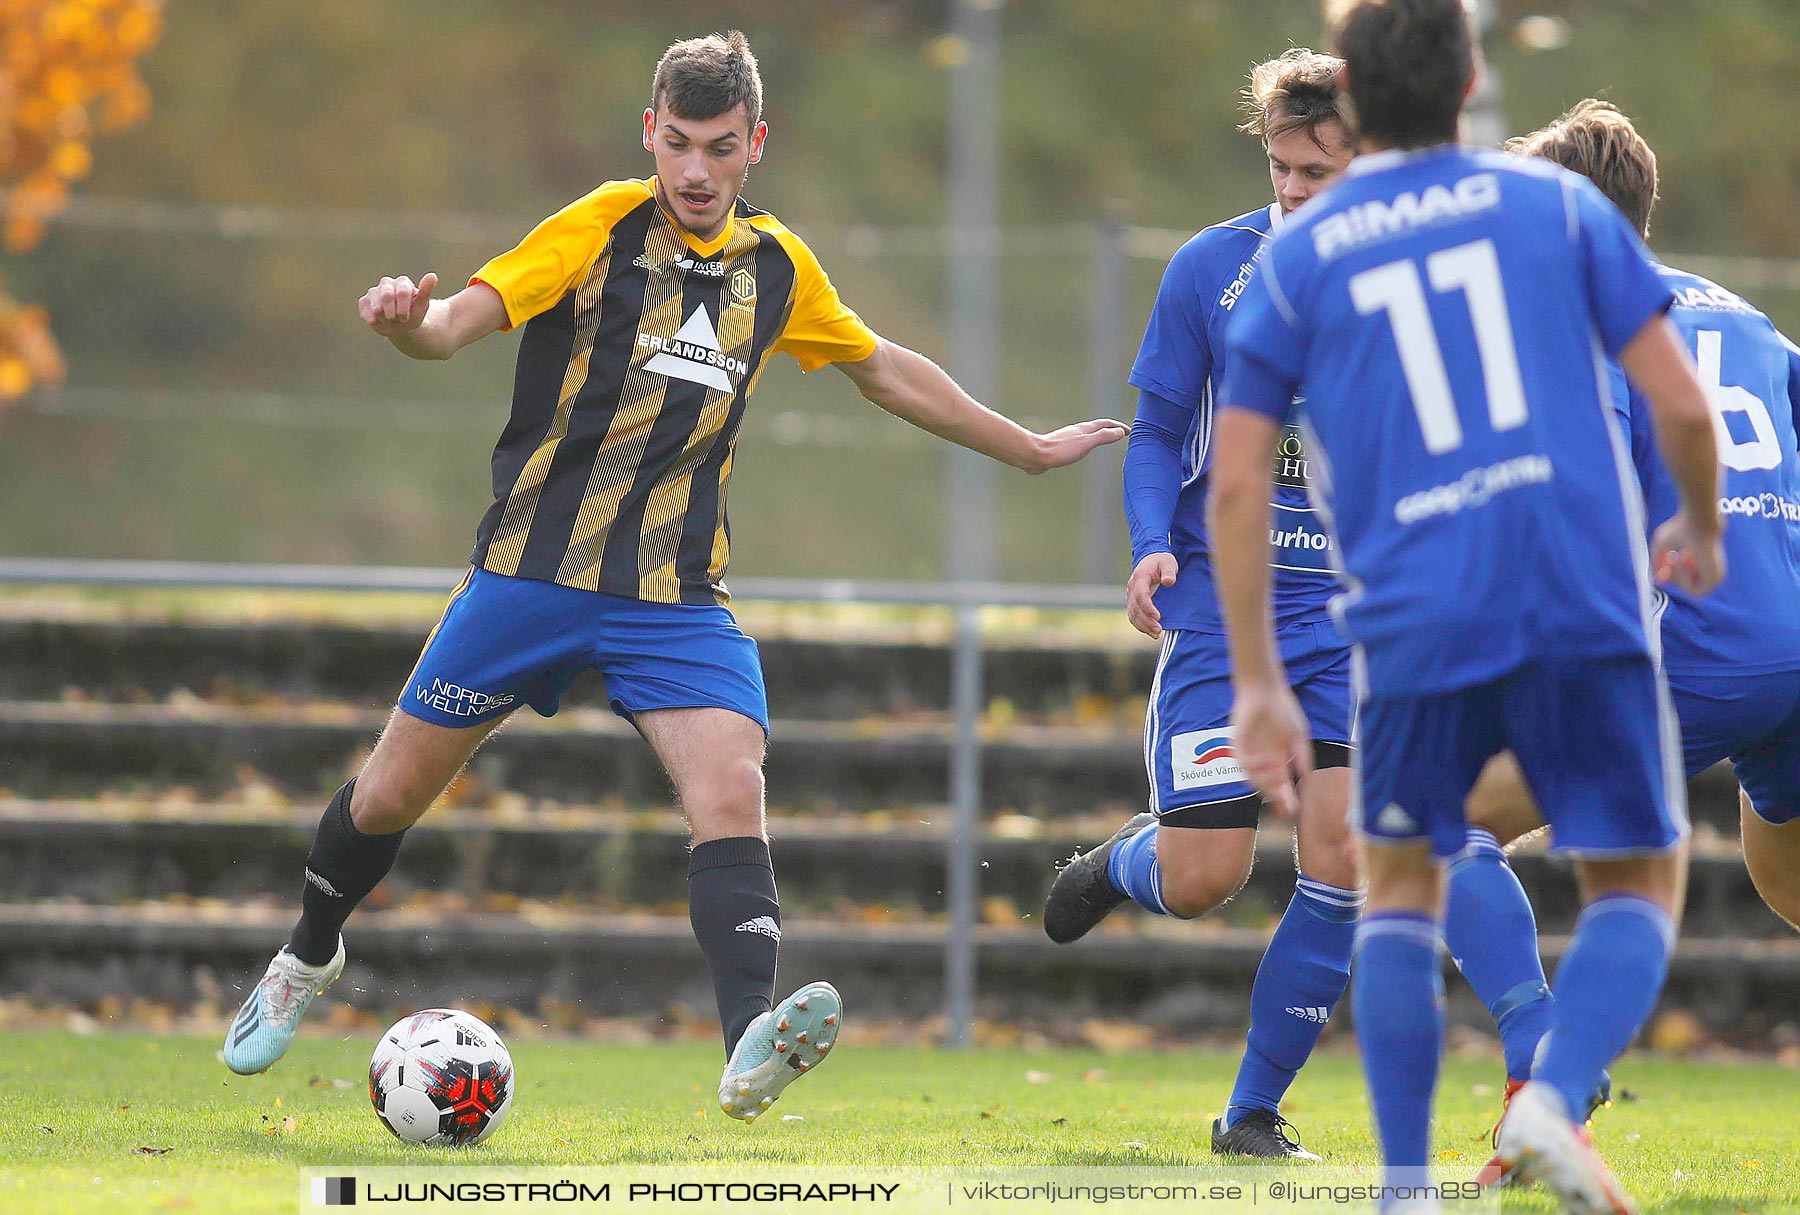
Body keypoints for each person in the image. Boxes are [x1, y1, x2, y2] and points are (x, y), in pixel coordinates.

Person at [220, 30, 1126, 1123]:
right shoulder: (598, 226)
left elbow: (884, 368)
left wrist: (1024, 446)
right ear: (651, 132)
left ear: (757, 146)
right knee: (390, 793)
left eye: (721, 148)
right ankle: (308, 955)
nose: (696, 171)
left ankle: (749, 1038)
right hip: (530, 574)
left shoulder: (780, 268)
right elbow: (462, 319)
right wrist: (412, 325)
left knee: (732, 785)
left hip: (674, 597)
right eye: (680, 144)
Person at [1209, 2, 1723, 1210]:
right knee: (1642, 881)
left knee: (1398, 889)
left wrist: (1257, 680)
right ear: (1474, 76)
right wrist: (1695, 527)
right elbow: (1685, 409)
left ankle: (1404, 1189)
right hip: (1580, 595)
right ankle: (1550, 1098)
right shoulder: (1563, 209)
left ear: (1349, 90)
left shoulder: (1298, 257)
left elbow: (1237, 482)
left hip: (1409, 620)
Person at [1435, 98, 1800, 1185]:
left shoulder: (1579, 316)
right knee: (1786, 881)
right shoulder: (1749, 322)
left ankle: (1544, 1071)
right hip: (1788, 635)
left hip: (1693, 647)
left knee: (1428, 820)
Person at [1040, 49, 1359, 1162]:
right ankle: (1125, 862)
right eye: (1281, 168)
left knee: (1345, 856)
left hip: (1348, 619)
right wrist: (1146, 549)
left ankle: (1253, 1116)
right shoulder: (1211, 269)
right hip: (1222, 605)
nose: (1293, 192)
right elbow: (1159, 429)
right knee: (1207, 878)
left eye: (1317, 172)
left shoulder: (1408, 282)